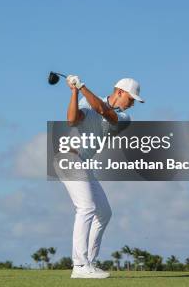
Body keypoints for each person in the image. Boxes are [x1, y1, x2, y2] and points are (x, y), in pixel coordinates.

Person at [58, 75, 144, 279]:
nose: (131, 105)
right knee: (86, 208)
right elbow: (71, 120)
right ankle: (79, 265)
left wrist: (82, 87)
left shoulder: (124, 119)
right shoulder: (86, 101)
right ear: (120, 92)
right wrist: (74, 92)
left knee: (104, 212)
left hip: (83, 164)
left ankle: (90, 262)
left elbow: (104, 111)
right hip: (68, 158)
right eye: (131, 99)